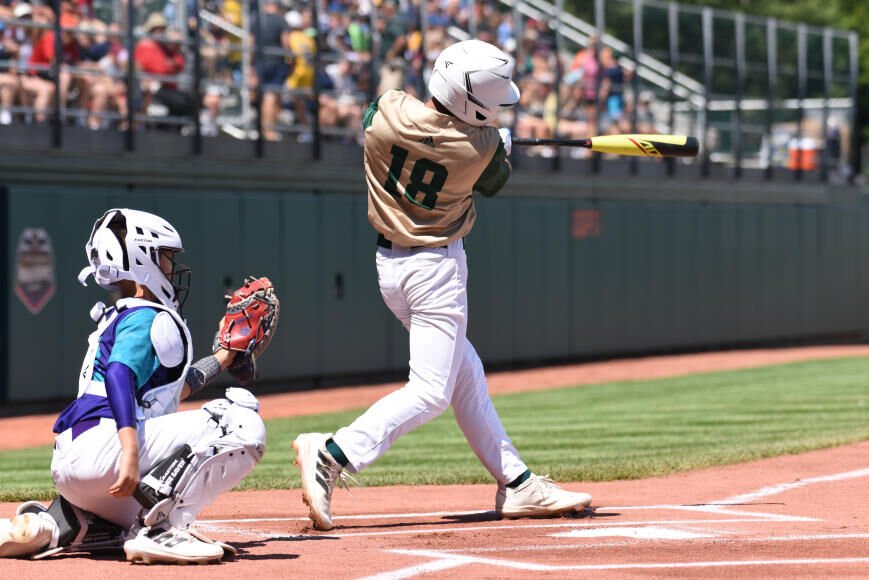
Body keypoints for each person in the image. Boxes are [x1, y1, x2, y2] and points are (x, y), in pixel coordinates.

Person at [291, 39, 593, 532]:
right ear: (473, 102)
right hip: (435, 270)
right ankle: (334, 451)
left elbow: (390, 117)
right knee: (431, 391)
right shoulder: (480, 148)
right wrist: (499, 144)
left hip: (389, 267)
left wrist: (487, 136)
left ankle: (517, 484)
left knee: (464, 372)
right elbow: (494, 180)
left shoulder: (387, 111)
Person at [0, 208, 270, 564]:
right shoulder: (147, 315)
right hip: (108, 449)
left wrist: (222, 357)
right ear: (143, 260)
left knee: (127, 512)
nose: (172, 268)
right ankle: (160, 529)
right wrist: (129, 450)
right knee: (240, 421)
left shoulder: (124, 315)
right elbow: (118, 375)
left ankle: (56, 525)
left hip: (77, 464)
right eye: (166, 257)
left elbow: (172, 390)